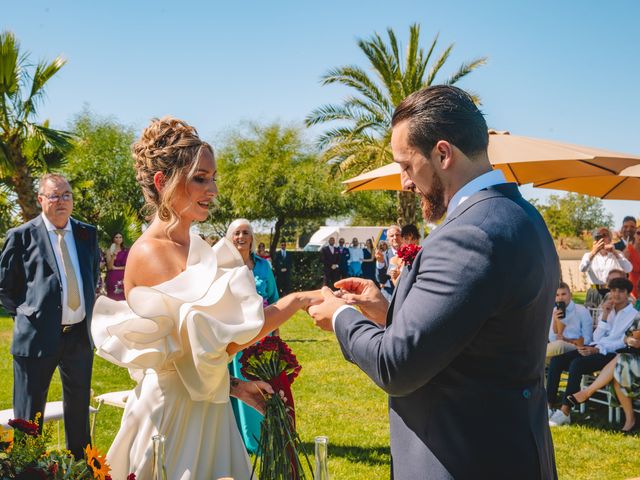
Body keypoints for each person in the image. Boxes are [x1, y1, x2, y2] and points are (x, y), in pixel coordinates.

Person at [308, 85, 558, 479]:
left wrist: (341, 317)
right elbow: (475, 333)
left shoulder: (469, 234)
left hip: (464, 459)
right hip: (514, 451)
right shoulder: (522, 217)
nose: (405, 181)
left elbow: (398, 366)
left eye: (407, 165)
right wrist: (388, 313)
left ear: (443, 153)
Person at [90, 116, 320, 479]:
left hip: (207, 407)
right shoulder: (152, 252)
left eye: (213, 178)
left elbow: (198, 353)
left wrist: (235, 387)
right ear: (162, 182)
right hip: (174, 416)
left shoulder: (195, 245)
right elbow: (213, 346)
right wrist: (294, 303)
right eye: (200, 178)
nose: (212, 189)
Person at [0, 173, 100, 460]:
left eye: (66, 195)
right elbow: (5, 287)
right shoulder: (21, 236)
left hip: (79, 337)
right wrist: (29, 312)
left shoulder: (86, 233)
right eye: (54, 196)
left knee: (79, 413)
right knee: (29, 417)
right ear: (40, 200)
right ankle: (28, 470)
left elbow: (90, 276)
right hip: (36, 339)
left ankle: (80, 470)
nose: (61, 201)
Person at [547, 277, 637, 427]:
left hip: (611, 354)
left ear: (628, 294)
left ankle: (565, 411)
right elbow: (596, 337)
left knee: (577, 364)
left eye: (621, 291)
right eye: (613, 291)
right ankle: (548, 406)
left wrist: (597, 349)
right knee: (557, 360)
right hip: (595, 348)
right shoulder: (608, 310)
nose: (616, 294)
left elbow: (622, 342)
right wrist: (605, 316)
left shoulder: (633, 315)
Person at [226, 219, 280, 454]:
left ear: (252, 237)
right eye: (237, 233)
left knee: (260, 384)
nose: (241, 237)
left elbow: (275, 298)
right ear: (230, 237)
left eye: (246, 232)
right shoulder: (223, 266)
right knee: (235, 383)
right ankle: (239, 437)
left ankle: (260, 436)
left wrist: (275, 334)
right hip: (233, 333)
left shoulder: (263, 266)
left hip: (262, 332)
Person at [566, 308, 640, 432]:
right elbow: (626, 338)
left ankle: (587, 392)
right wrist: (630, 340)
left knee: (620, 362)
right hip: (632, 360)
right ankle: (630, 420)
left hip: (632, 362)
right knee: (619, 368)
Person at [580, 227, 632, 307]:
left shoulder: (617, 254)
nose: (602, 238)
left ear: (610, 239)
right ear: (595, 240)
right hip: (595, 292)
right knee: (593, 317)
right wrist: (593, 252)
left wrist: (614, 252)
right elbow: (582, 268)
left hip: (612, 291)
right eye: (599, 236)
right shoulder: (588, 255)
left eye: (605, 235)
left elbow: (628, 268)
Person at [547, 283, 593, 359]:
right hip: (557, 348)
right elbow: (552, 339)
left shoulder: (582, 311)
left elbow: (587, 339)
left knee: (559, 345)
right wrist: (555, 321)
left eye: (563, 294)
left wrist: (567, 340)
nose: (560, 298)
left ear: (571, 295)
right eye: (557, 295)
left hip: (577, 348)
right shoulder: (553, 312)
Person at [375, 225, 402, 300]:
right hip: (389, 296)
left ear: (402, 236)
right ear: (388, 239)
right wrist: (381, 262)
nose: (395, 238)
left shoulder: (410, 253)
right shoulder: (383, 256)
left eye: (397, 235)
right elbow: (381, 280)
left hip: (406, 296)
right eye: (391, 236)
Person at [105, 232, 128, 301]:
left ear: (122, 239)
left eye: (120, 237)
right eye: (116, 237)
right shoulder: (109, 251)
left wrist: (116, 268)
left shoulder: (126, 251)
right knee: (113, 298)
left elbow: (128, 266)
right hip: (112, 277)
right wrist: (114, 255)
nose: (118, 239)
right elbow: (109, 267)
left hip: (124, 277)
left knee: (124, 298)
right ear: (113, 239)